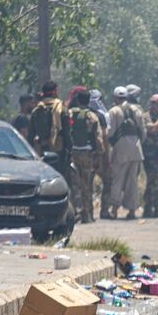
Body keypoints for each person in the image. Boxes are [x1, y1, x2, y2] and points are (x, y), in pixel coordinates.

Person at [107, 86, 145, 220]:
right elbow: (142, 131)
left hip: (121, 149)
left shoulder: (114, 111)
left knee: (118, 179)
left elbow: (110, 132)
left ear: (115, 98)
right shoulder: (136, 110)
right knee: (132, 181)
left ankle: (115, 210)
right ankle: (132, 211)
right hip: (136, 149)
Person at [69, 90, 105, 223]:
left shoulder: (71, 113)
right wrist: (99, 155)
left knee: (74, 184)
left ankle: (76, 212)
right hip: (87, 154)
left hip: (73, 153)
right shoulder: (92, 116)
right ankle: (88, 214)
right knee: (87, 184)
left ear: (78, 100)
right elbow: (98, 138)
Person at [29, 81, 72, 179]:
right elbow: (66, 132)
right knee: (60, 176)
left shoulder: (36, 110)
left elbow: (30, 135)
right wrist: (69, 149)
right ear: (54, 92)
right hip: (58, 148)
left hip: (42, 148)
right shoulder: (62, 108)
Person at [141, 94, 158, 218]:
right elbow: (152, 130)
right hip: (149, 154)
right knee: (154, 180)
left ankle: (153, 208)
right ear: (152, 105)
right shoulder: (146, 117)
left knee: (156, 181)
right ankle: (152, 208)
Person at [89, 89, 114, 219]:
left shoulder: (85, 114)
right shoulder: (101, 116)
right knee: (108, 180)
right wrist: (106, 157)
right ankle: (104, 210)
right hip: (100, 154)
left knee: (87, 183)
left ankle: (88, 212)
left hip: (86, 154)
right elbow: (104, 137)